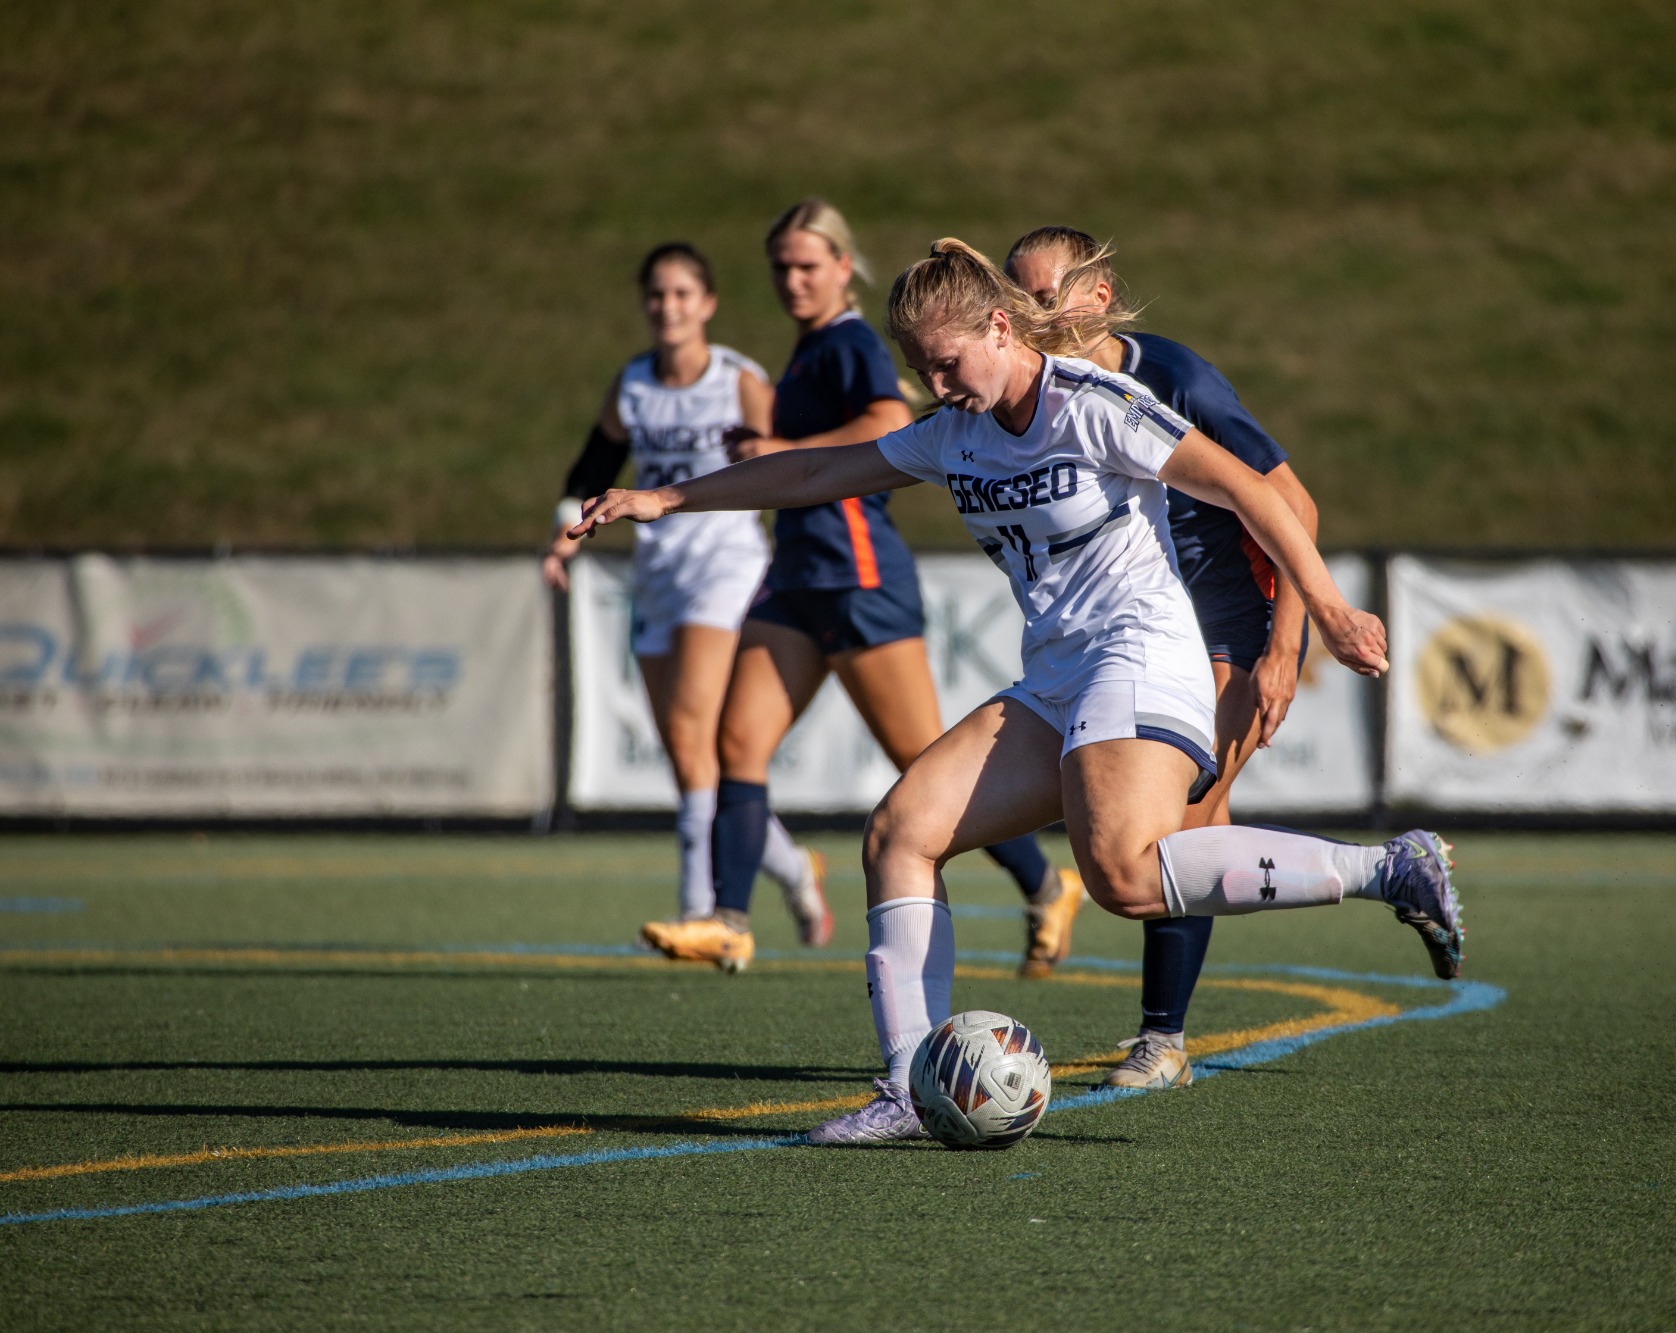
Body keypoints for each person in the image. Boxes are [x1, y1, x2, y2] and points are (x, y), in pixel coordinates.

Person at [572, 239, 1464, 1145]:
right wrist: (666, 498)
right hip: (1055, 674)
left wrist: (1326, 610)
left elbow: (1255, 495)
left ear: (1000, 327)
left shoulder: (1097, 405)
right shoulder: (953, 428)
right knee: (899, 833)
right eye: (922, 370)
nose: (938, 383)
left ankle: (1387, 868)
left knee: (1120, 870)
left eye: (948, 362)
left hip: (1143, 653)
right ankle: (909, 1090)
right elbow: (810, 473)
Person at [639, 202, 1080, 974]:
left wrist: (780, 446)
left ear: (844, 266)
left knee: (921, 762)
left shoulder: (848, 343)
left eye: (808, 264)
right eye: (780, 266)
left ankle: (1047, 884)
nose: (792, 279)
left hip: (856, 573)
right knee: (736, 744)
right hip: (796, 574)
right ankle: (727, 918)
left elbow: (885, 418)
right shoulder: (808, 349)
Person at [1004, 226, 1318, 1092]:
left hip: (1220, 625)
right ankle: (1166, 1033)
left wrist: (1286, 642)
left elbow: (1294, 504)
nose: (1033, 313)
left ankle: (1161, 1040)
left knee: (1187, 819)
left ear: (1099, 295)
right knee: (1161, 832)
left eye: (1047, 294)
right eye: (1019, 297)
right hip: (1135, 629)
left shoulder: (1169, 374)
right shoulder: (1042, 395)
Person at [543, 242, 822, 928]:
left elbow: (785, 466)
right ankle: (790, 864)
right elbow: (590, 469)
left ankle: (703, 911)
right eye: (656, 295)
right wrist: (564, 537)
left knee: (695, 733)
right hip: (658, 573)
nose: (667, 307)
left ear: (708, 304)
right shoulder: (633, 383)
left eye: (681, 294)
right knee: (686, 755)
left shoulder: (737, 379)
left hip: (725, 566)